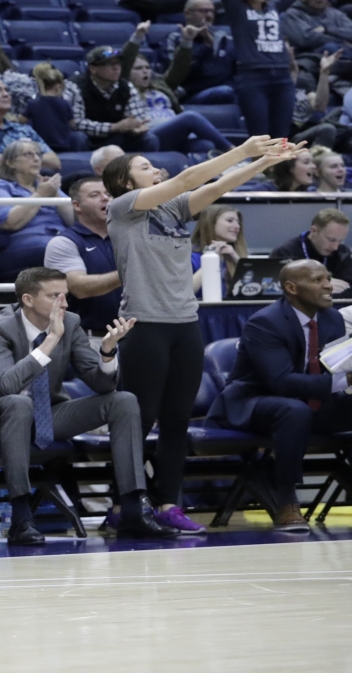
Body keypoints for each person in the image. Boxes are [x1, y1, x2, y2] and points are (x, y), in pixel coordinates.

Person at [102, 137, 302, 533]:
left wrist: (262, 162)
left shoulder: (174, 209)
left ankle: (166, 503)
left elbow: (214, 187)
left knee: (177, 420)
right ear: (125, 182)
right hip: (143, 326)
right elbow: (189, 178)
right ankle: (124, 503)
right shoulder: (122, 208)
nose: (154, 168)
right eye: (143, 166)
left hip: (184, 323)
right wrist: (244, 150)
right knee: (138, 421)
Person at [0, 267, 174, 544]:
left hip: (44, 415)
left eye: (66, 296)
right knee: (18, 403)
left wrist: (107, 351)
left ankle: (131, 511)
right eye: (55, 296)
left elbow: (102, 385)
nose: (64, 304)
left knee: (123, 401)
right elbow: (8, 385)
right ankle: (21, 518)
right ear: (28, 300)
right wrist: (51, 339)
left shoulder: (70, 322)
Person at [208, 259, 352, 531]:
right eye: (318, 280)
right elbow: (280, 382)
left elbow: (328, 368)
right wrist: (344, 379)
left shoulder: (332, 319)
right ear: (291, 287)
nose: (328, 286)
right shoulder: (265, 322)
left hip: (306, 402)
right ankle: (287, 501)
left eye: (328, 278)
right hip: (254, 402)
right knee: (293, 410)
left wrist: (344, 375)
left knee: (305, 409)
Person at [221, 0, 325, 140]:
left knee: (280, 138)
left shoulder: (275, 6)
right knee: (260, 139)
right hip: (253, 78)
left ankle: (277, 173)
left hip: (282, 78)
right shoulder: (237, 10)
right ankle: (259, 173)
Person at [0, 139, 73, 281]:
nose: (36, 159)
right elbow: (9, 222)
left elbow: (74, 221)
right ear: (10, 162)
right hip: (19, 244)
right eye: (28, 154)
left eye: (38, 154)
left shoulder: (47, 186)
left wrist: (55, 195)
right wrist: (40, 195)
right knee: (57, 248)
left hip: (59, 237)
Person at [44, 177, 122, 336]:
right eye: (95, 195)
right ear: (76, 205)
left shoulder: (128, 236)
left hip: (136, 335)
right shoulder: (63, 243)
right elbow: (79, 288)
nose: (105, 198)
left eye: (108, 194)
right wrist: (132, 271)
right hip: (89, 338)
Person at [61, 43, 159, 153]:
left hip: (114, 139)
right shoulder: (75, 86)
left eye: (118, 63)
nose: (116, 68)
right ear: (93, 69)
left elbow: (136, 117)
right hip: (88, 139)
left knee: (149, 139)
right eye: (110, 64)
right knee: (77, 138)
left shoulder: (126, 87)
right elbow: (75, 123)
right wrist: (114, 127)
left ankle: (143, 168)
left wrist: (137, 127)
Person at [129, 53, 234, 154]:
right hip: (150, 136)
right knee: (190, 116)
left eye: (147, 68)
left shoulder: (160, 86)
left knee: (206, 145)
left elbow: (179, 67)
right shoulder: (125, 92)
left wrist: (187, 41)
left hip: (175, 133)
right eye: (138, 68)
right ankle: (233, 151)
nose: (145, 71)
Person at [161, 0, 235, 105]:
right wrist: (206, 47)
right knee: (225, 91)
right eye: (203, 11)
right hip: (191, 94)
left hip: (228, 90)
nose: (209, 16)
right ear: (187, 14)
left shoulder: (225, 39)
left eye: (211, 11)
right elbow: (175, 74)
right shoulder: (174, 38)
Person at [269, 208, 352, 292]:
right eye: (331, 240)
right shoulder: (286, 252)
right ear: (314, 231)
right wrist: (318, 285)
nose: (335, 247)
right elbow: (277, 287)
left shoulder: (342, 253)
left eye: (340, 241)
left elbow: (348, 285)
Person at [283, 0, 352, 80]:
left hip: (342, 60)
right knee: (330, 47)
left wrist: (327, 29)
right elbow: (306, 39)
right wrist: (342, 40)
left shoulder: (335, 14)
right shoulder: (292, 15)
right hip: (310, 59)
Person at [188, 203, 245, 300]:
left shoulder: (233, 256)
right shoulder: (190, 256)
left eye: (238, 222)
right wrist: (211, 260)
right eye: (230, 221)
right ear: (210, 223)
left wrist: (238, 261)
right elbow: (183, 293)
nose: (237, 226)